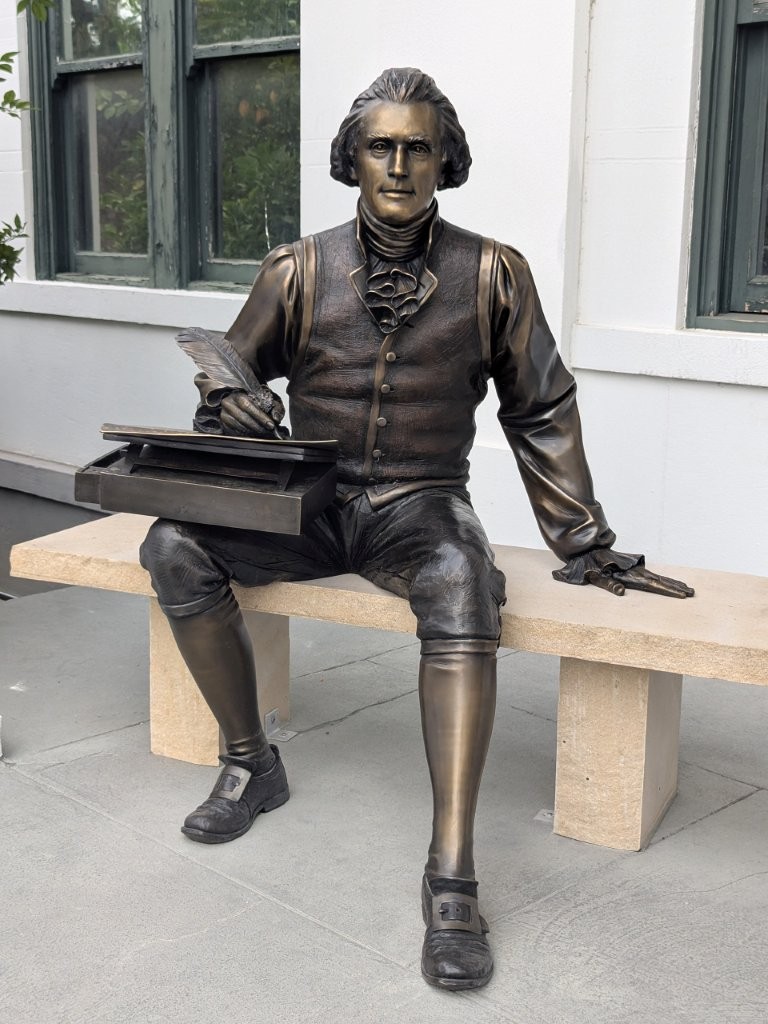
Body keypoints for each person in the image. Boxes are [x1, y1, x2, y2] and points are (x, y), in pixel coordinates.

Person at [140, 68, 693, 991]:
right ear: (352, 157)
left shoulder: (494, 272)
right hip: (310, 502)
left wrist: (582, 537)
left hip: (422, 502)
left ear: (447, 158)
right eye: (380, 147)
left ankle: (451, 876)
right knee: (171, 544)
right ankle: (250, 763)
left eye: (418, 147)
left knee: (462, 585)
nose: (399, 165)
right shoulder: (299, 267)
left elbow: (541, 408)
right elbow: (235, 370)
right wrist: (228, 403)